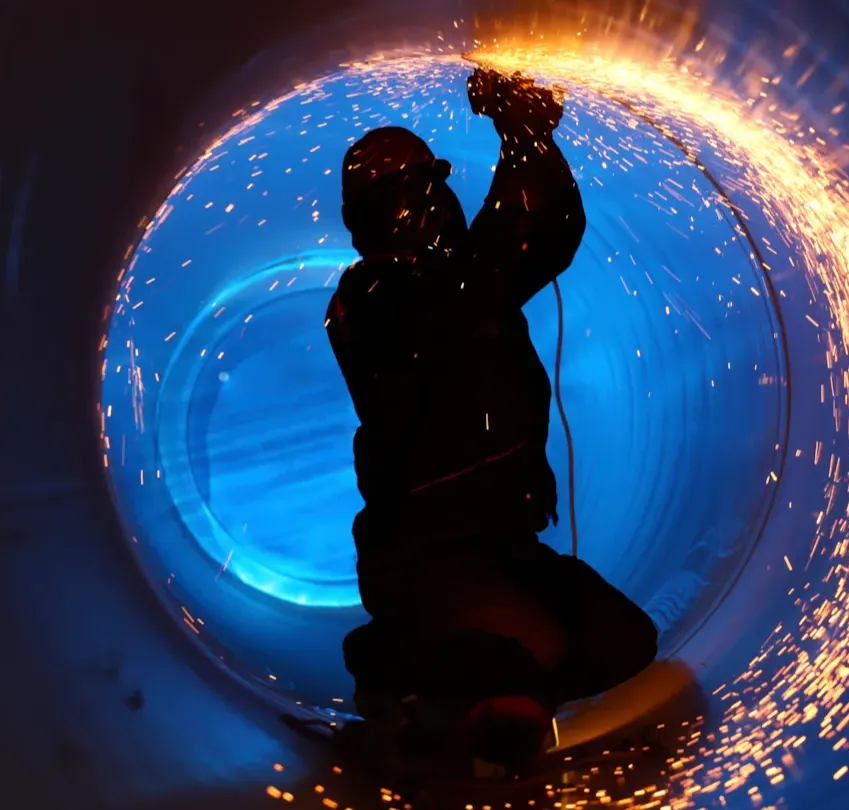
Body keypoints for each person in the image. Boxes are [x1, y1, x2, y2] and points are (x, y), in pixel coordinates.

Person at [325, 67, 659, 768]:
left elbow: (540, 234)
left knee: (620, 640)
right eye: (421, 189)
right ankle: (402, 681)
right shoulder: (376, 300)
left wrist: (526, 139)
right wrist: (523, 136)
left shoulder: (452, 281)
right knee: (517, 664)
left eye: (433, 184)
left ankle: (494, 682)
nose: (437, 201)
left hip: (500, 538)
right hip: (422, 553)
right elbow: (515, 243)